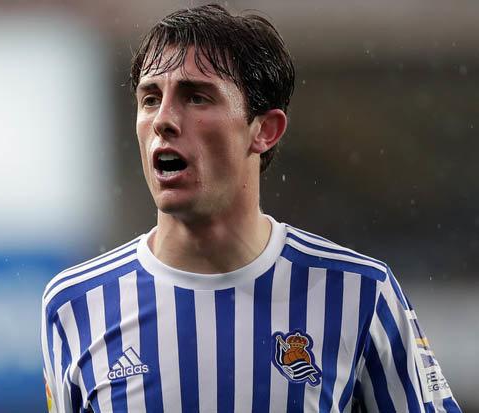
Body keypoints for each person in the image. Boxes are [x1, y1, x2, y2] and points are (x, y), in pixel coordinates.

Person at [41, 4, 461, 412]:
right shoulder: (74, 306)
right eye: (150, 99)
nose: (164, 119)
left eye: (196, 97)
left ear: (265, 130)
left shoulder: (360, 293)